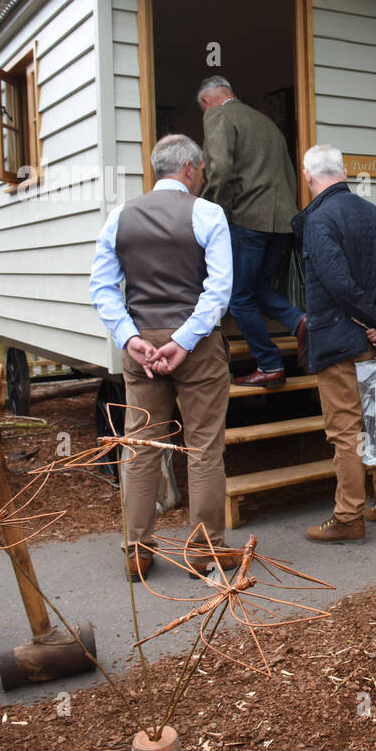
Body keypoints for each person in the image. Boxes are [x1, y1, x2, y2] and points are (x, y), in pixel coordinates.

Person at [89, 134, 241, 580]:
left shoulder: (119, 216)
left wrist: (128, 336)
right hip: (195, 347)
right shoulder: (208, 213)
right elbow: (219, 290)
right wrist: (186, 338)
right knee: (204, 446)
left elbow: (101, 287)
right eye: (202, 168)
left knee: (139, 447)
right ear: (191, 168)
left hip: (142, 346)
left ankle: (136, 550)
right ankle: (204, 551)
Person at [295, 145, 376, 543]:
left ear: (308, 176)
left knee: (346, 430)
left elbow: (338, 282)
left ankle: (349, 516)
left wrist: (370, 318)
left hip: (339, 340)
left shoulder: (318, 219)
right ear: (344, 172)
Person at [197, 75, 303, 387]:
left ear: (206, 102)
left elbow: (219, 170)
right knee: (257, 287)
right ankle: (301, 321)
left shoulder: (218, 115)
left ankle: (270, 365)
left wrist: (211, 213)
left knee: (238, 295)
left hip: (247, 218)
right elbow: (287, 171)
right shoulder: (266, 122)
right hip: (282, 221)